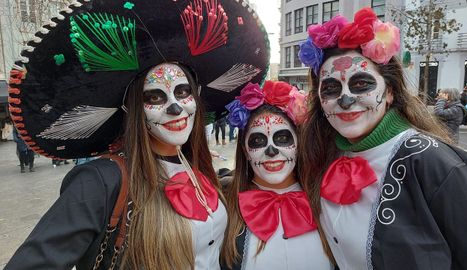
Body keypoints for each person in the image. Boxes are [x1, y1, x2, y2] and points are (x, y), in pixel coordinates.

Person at [5, 0, 269, 269]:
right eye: (155, 96)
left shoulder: (198, 169)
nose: (175, 108)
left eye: (182, 92)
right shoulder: (101, 182)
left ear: (196, 98)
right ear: (133, 108)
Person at [298, 8, 467, 270]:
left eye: (361, 84)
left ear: (390, 91)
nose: (346, 100)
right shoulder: (324, 153)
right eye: (331, 89)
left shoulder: (432, 162)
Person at [221, 81, 333, 270]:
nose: (271, 151)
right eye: (258, 141)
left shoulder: (327, 201)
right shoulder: (224, 208)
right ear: (245, 151)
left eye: (282, 138)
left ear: (299, 143)